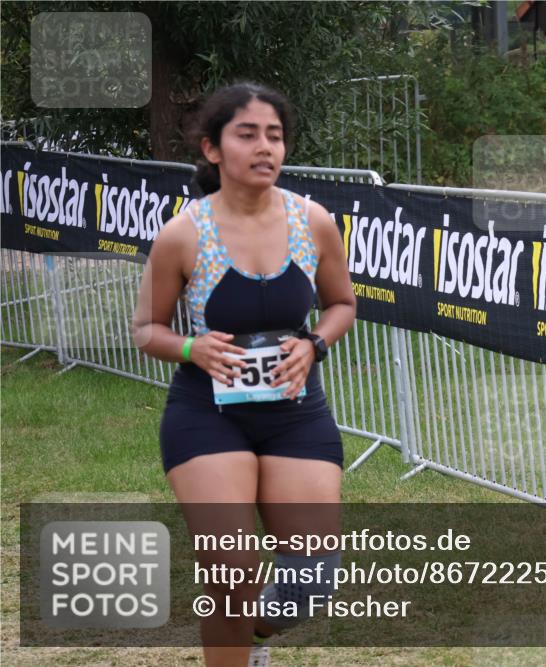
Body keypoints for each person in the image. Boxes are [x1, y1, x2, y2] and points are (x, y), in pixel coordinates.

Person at [132, 82, 356, 667]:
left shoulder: (314, 222)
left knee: (310, 578)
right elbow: (145, 329)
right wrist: (191, 348)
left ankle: (248, 641)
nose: (265, 147)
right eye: (248, 134)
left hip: (295, 415)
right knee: (231, 569)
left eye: (275, 136)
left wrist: (314, 343)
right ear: (212, 149)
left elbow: (343, 305)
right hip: (207, 417)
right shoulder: (183, 234)